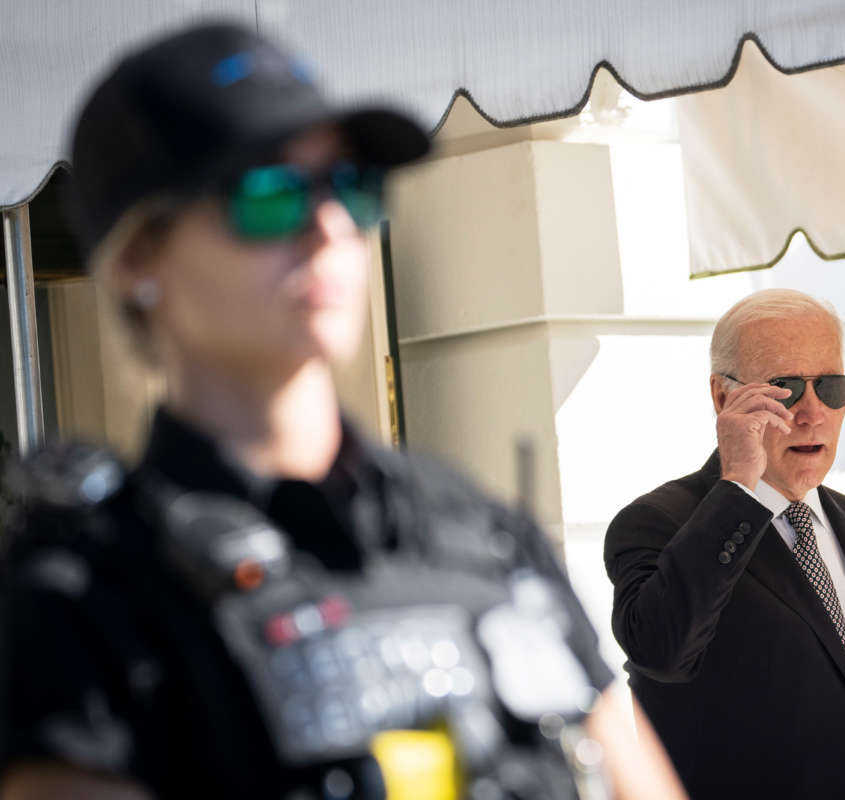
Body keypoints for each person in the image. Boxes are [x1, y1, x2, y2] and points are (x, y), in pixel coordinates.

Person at [0, 23, 685, 800]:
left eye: (350, 187)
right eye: (267, 195)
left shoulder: (484, 533)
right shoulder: (87, 595)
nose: (326, 226)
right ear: (136, 261)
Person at [604, 289, 845, 799]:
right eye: (785, 388)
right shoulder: (659, 523)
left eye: (830, 387)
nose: (811, 412)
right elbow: (663, 651)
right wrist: (739, 485)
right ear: (723, 398)